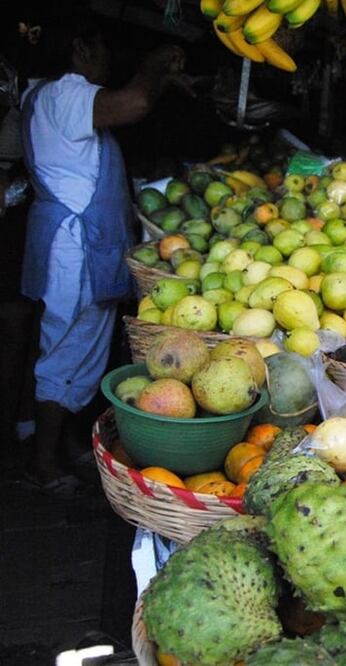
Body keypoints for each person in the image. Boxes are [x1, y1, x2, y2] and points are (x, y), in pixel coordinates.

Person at [18, 14, 188, 495]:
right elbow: (135, 102)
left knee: (83, 350)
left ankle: (66, 443)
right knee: (64, 351)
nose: (109, 60)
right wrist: (156, 63)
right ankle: (41, 461)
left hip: (86, 247)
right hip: (75, 250)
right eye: (102, 48)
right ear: (80, 49)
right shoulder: (65, 93)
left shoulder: (53, 99)